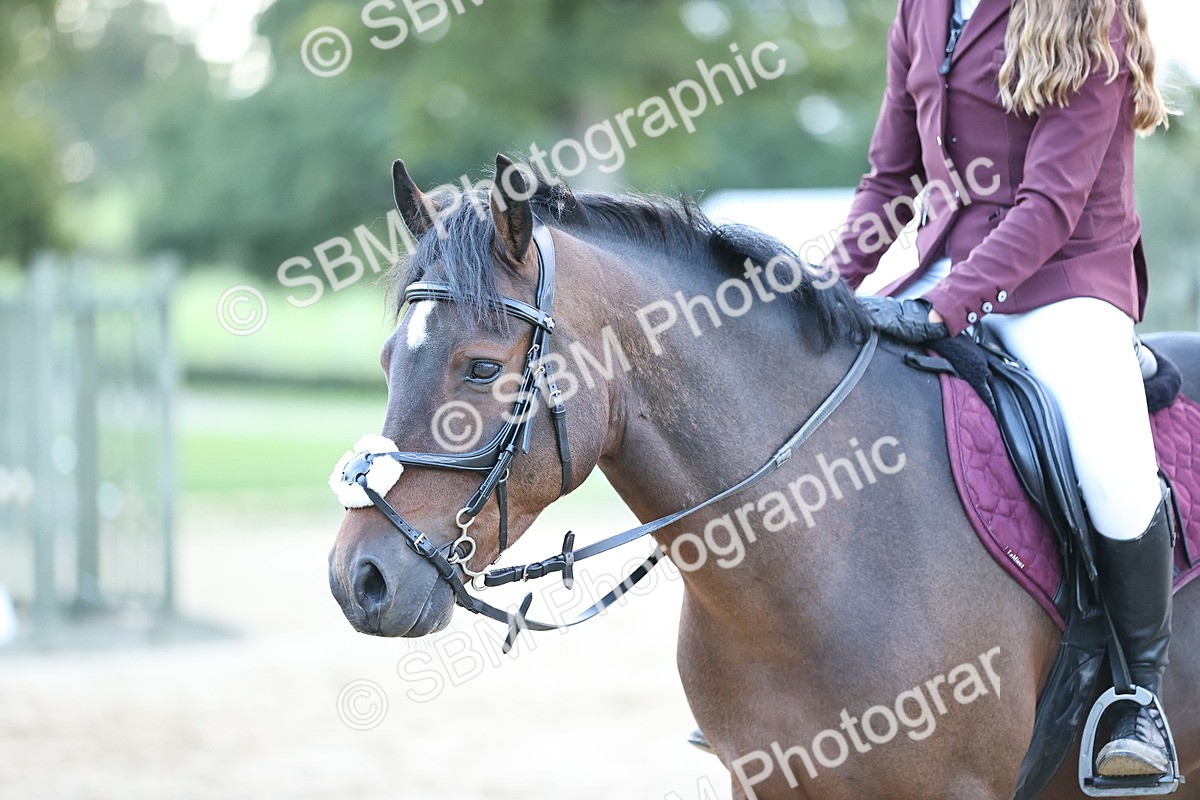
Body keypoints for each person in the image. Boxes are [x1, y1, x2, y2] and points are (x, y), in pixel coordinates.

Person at [823, 0, 1177, 778]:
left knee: (1113, 474)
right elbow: (890, 179)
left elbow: (1051, 203)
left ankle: (1138, 699)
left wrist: (942, 308)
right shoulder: (920, 9)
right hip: (942, 270)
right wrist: (824, 291)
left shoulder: (1086, 15)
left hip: (1065, 280)